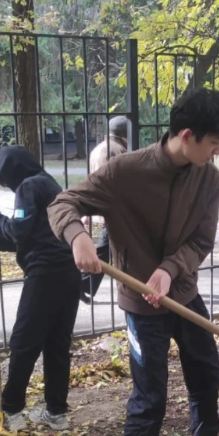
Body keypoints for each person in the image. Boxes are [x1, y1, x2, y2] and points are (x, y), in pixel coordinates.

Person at [48, 88, 219, 436]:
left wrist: (169, 269)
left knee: (206, 369)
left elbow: (201, 241)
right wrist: (77, 236)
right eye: (214, 143)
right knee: (150, 392)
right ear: (187, 136)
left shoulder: (209, 179)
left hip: (183, 294)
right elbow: (62, 203)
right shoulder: (124, 173)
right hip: (141, 304)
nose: (217, 152)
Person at [0, 145, 81, 432]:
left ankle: (10, 411)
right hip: (69, 272)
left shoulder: (28, 186)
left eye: (5, 180)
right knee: (57, 343)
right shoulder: (49, 184)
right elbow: (38, 233)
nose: (9, 185)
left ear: (13, 171)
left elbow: (19, 229)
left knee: (24, 342)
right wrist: (1, 242)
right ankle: (56, 412)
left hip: (45, 275)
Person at [80, 116, 129, 304]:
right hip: (117, 208)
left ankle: (84, 284)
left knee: (107, 249)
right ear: (125, 134)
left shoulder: (97, 149)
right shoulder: (119, 151)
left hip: (103, 205)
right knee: (107, 249)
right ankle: (83, 284)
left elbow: (91, 181)